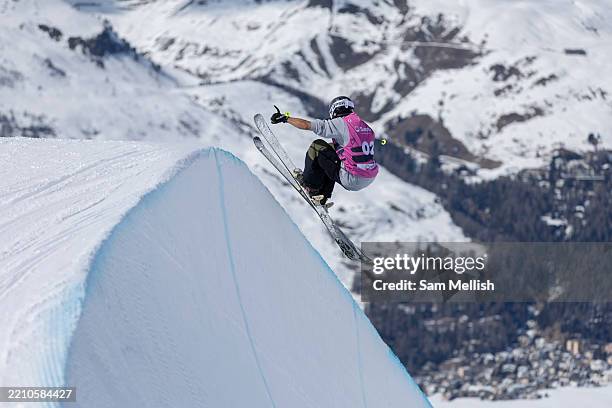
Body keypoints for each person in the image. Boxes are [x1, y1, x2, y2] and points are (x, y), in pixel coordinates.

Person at [270, 96, 379, 206]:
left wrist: (285, 118)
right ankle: (322, 197)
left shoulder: (342, 123)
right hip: (369, 176)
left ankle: (310, 186)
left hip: (352, 178)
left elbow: (307, 125)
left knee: (317, 147)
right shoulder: (365, 127)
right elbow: (350, 149)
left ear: (334, 110)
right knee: (330, 154)